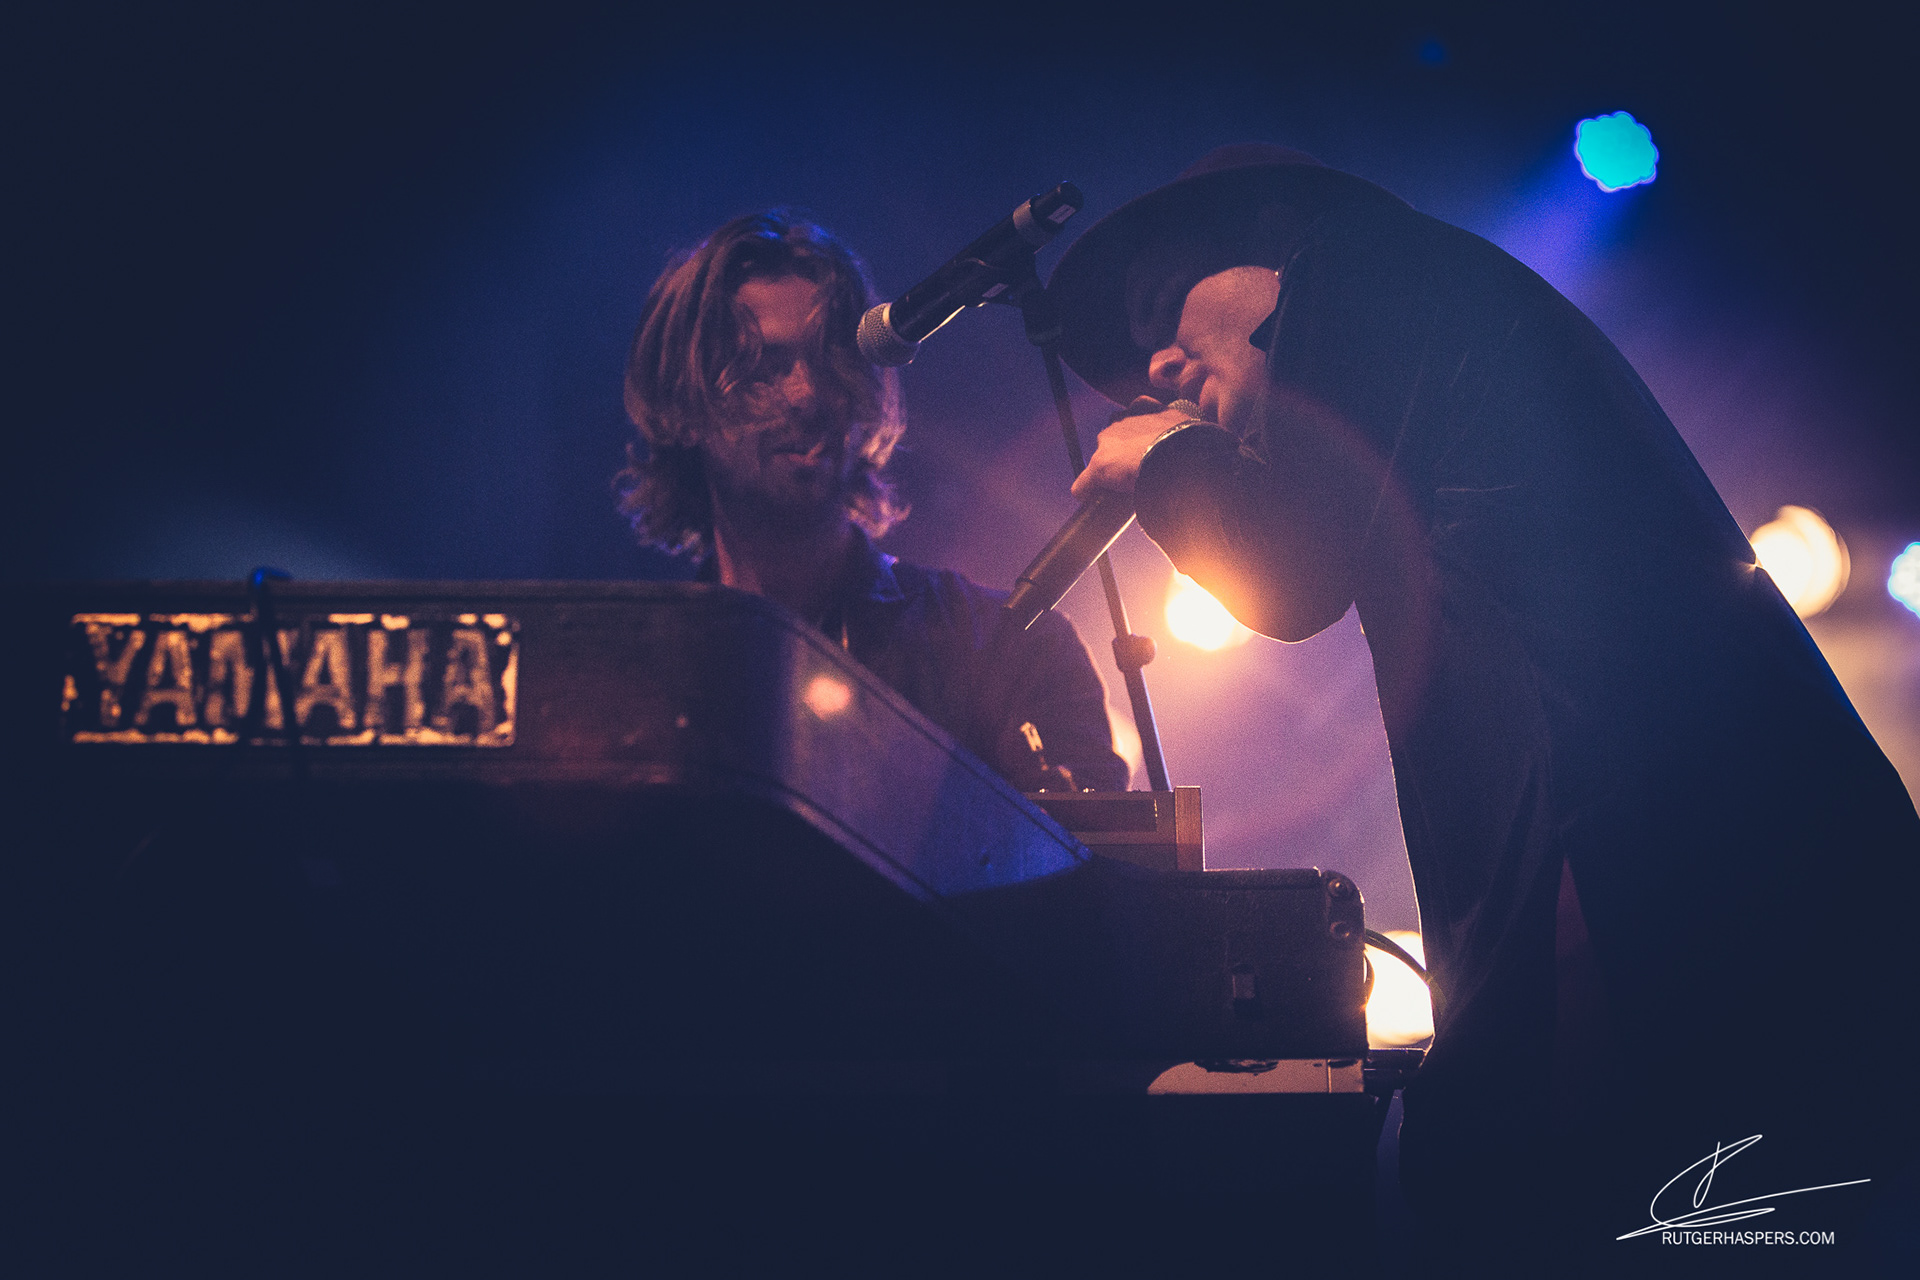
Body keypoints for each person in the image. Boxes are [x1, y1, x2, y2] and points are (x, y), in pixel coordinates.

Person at [1051, 145, 1919, 1272]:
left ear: (1267, 245)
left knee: (1547, 1199)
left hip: (1651, 855)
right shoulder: (1429, 328)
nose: (1160, 368)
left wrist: (1167, 462)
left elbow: (1291, 571)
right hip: (1726, 862)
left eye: (1164, 312)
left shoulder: (1355, 267)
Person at [618, 207, 1127, 793]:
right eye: (764, 368)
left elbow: (1102, 841)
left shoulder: (1013, 647)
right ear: (682, 403)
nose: (809, 394)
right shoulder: (639, 670)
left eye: (831, 361)